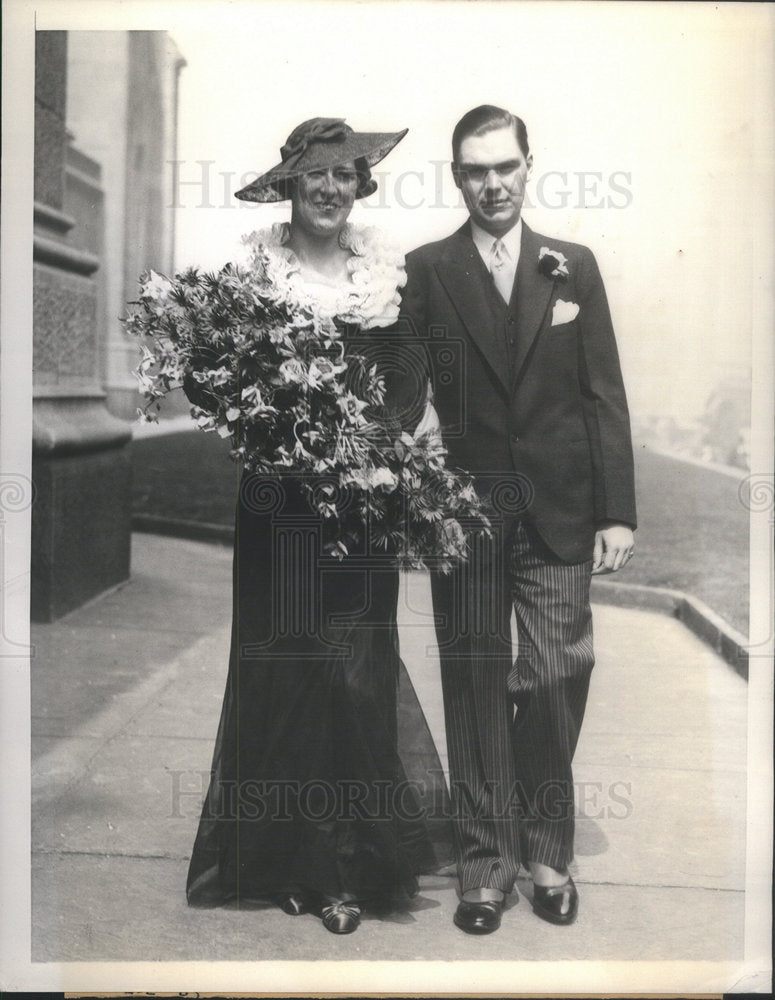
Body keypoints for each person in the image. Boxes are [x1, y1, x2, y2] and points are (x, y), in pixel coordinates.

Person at [185, 118, 446, 935]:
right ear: (290, 188)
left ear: (359, 185)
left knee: (357, 671)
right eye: (313, 178)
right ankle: (300, 868)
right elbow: (211, 375)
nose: (328, 190)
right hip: (283, 512)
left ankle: (352, 867)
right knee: (292, 672)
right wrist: (265, 428)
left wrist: (377, 446)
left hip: (363, 507)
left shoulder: (381, 271)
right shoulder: (259, 269)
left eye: (342, 176)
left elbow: (407, 377)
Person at [400, 105, 637, 933]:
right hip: (463, 517)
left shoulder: (571, 266)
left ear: (528, 167)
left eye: (504, 166)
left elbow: (602, 394)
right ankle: (484, 868)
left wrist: (618, 513)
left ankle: (546, 850)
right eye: (474, 170)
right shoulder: (426, 270)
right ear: (456, 176)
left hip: (562, 512)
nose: (491, 183)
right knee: (471, 683)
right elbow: (402, 392)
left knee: (551, 674)